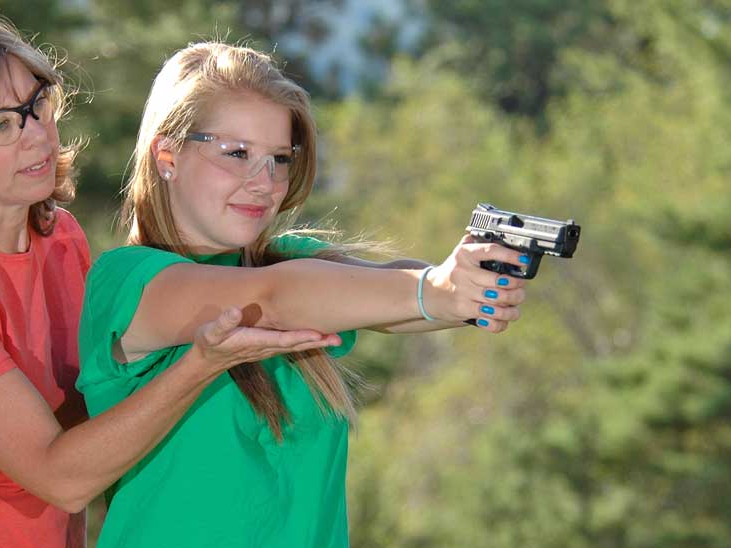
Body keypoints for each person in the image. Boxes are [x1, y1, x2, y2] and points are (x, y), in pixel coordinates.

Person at [0, 11, 336, 548]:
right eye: (1, 126)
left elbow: (100, 401)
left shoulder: (59, 238)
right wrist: (201, 362)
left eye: (37, 107)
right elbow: (61, 478)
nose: (38, 137)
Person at [77, 41, 531, 547]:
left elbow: (386, 291)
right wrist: (437, 289)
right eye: (237, 154)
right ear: (168, 156)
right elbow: (270, 299)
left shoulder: (288, 260)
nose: (264, 182)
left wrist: (463, 284)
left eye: (279, 159)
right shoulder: (128, 280)